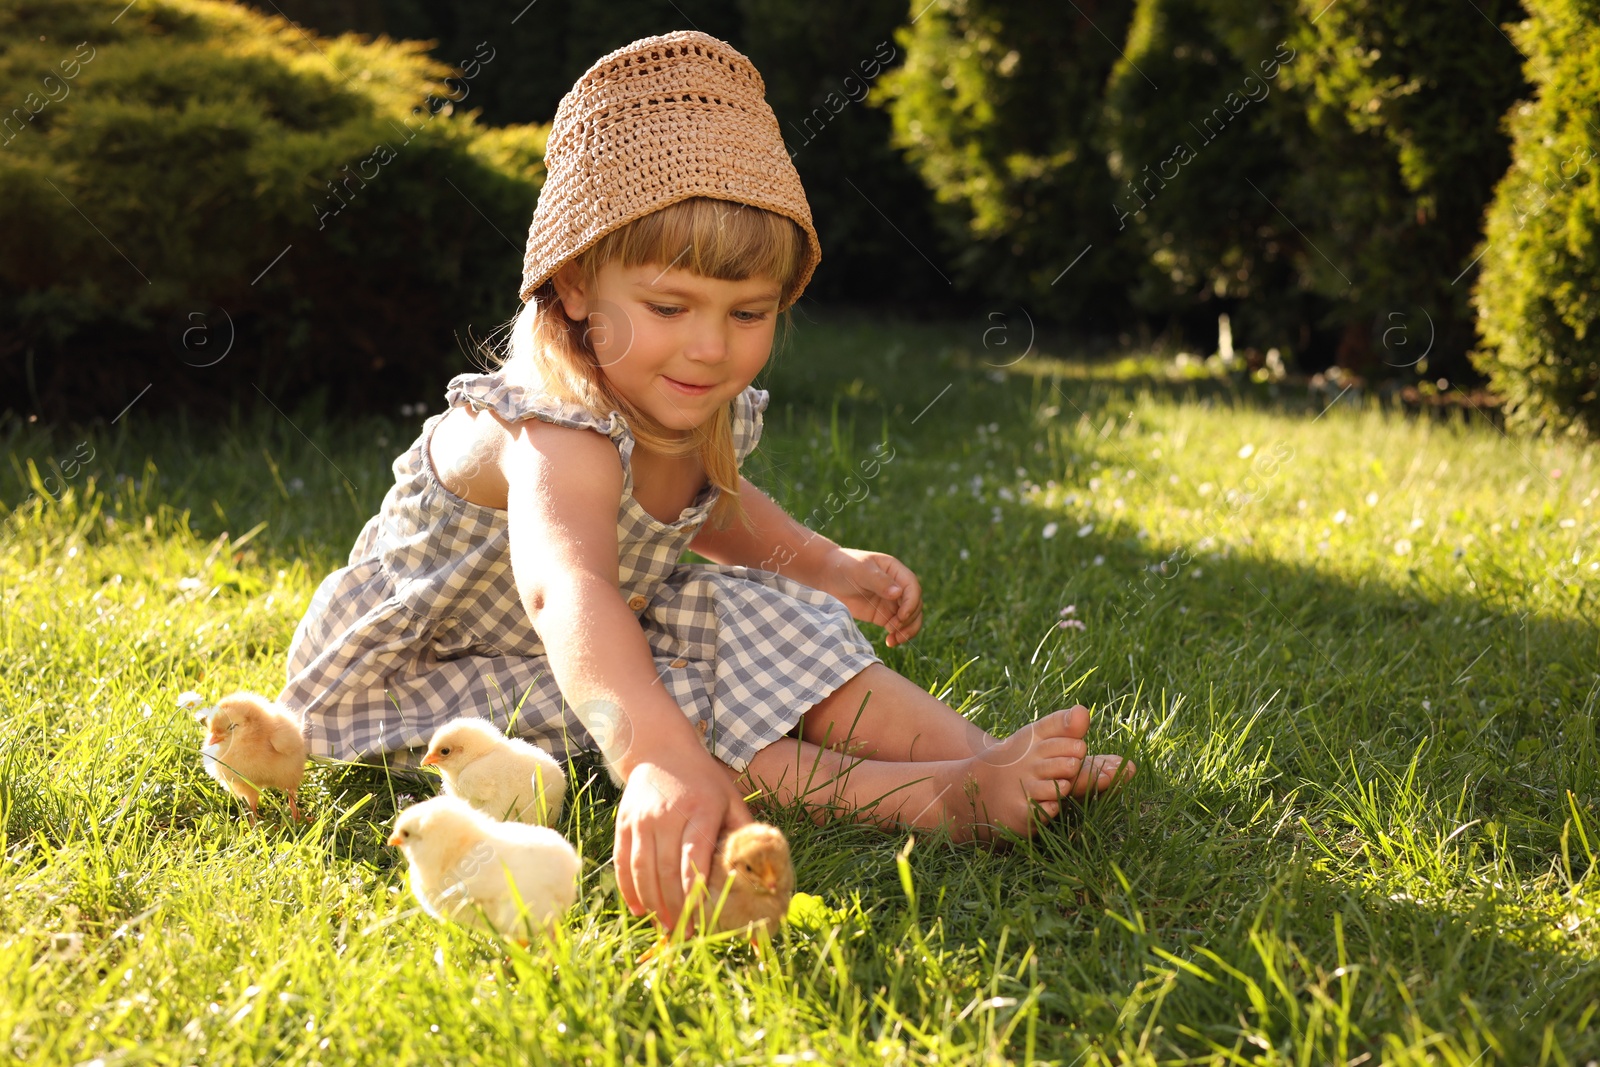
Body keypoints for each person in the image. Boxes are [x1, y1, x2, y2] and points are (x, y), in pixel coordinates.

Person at [279, 29, 1133, 934]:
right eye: (670, 305)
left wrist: (824, 563)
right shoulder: (552, 425)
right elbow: (564, 588)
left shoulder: (680, 393)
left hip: (605, 620)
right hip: (443, 669)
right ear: (573, 285)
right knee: (677, 702)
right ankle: (935, 799)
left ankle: (989, 756)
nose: (710, 346)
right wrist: (653, 754)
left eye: (749, 312)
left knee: (762, 607)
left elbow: (709, 505)